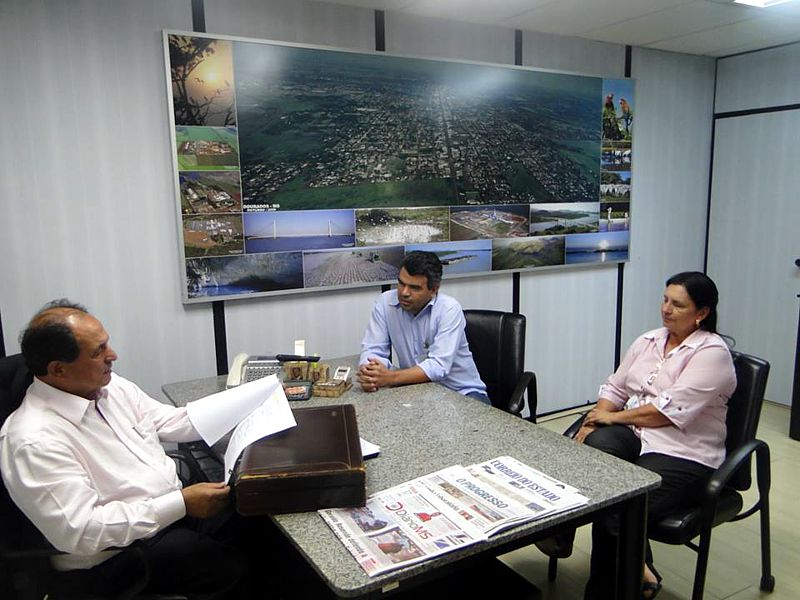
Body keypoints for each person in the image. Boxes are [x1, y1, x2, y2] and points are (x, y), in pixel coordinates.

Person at [0, 300, 248, 599]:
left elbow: (172, 421)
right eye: (98, 351)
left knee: (254, 517)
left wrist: (253, 399)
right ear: (58, 370)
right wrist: (181, 504)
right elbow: (82, 532)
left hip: (170, 516)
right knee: (232, 568)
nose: (112, 355)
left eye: (106, 344)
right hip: (116, 557)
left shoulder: (109, 387)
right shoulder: (33, 439)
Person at [576, 272, 736, 599]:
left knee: (616, 505)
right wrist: (593, 421)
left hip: (683, 450)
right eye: (665, 300)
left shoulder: (712, 353)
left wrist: (611, 417)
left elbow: (668, 411)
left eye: (678, 305)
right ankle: (638, 570)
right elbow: (616, 387)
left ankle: (623, 584)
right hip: (637, 437)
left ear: (702, 313)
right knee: (592, 455)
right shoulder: (649, 340)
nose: (666, 309)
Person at [358, 251, 488, 403]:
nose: (404, 293)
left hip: (463, 393)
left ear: (434, 289)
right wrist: (370, 374)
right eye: (401, 283)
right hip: (419, 392)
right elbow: (373, 349)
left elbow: (439, 366)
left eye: (414, 288)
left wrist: (390, 377)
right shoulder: (385, 303)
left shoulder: (449, 309)